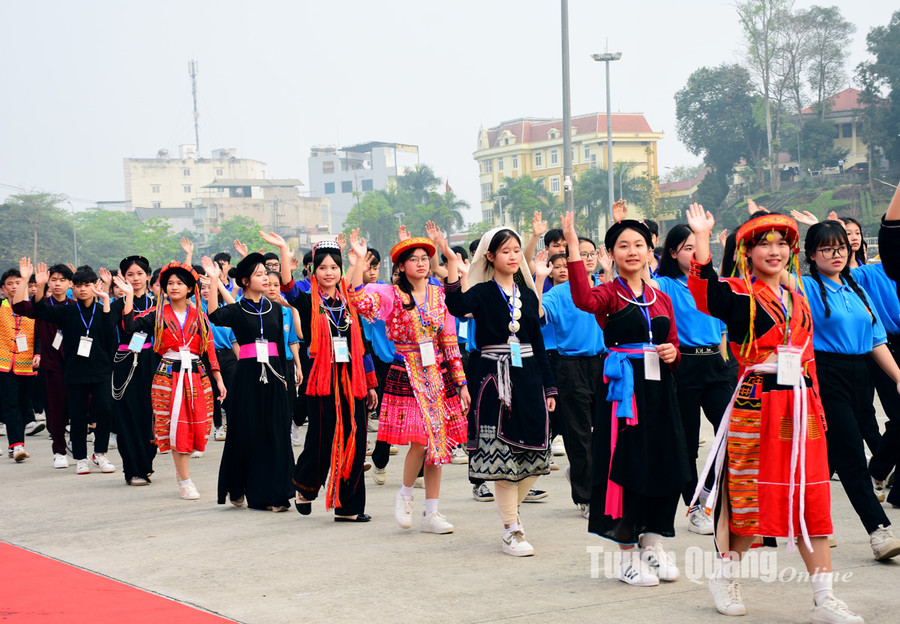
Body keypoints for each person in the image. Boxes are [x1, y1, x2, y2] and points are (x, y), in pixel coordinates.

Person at [686, 204, 864, 622]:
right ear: (746, 252)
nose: (775, 250)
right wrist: (702, 239)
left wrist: (818, 408)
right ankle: (725, 575)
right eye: (764, 244)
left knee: (811, 498)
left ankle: (824, 600)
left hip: (802, 406)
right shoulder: (737, 292)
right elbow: (704, 293)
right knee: (752, 497)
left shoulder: (798, 296)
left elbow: (808, 360)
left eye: (782, 243)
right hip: (758, 403)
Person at [560, 211, 689, 587]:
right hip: (623, 392)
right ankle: (626, 555)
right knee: (626, 463)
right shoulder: (608, 294)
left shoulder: (661, 297)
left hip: (660, 390)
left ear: (651, 251)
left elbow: (675, 344)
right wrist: (571, 244)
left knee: (664, 461)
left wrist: (672, 354)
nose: (632, 251)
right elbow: (582, 299)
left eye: (638, 245)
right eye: (623, 246)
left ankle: (653, 542)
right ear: (611, 253)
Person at [440, 226, 557, 557]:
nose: (513, 255)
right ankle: (511, 529)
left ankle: (510, 514)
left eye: (516, 250)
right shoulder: (482, 292)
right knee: (502, 456)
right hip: (494, 383)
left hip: (530, 379)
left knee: (535, 457)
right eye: (505, 250)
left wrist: (549, 387)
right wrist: (450, 261)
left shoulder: (529, 295)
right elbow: (456, 304)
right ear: (490, 256)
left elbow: (537, 342)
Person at [349, 230, 469, 533]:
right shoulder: (391, 294)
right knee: (420, 440)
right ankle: (404, 495)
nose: (421, 264)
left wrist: (462, 382)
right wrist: (359, 260)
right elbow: (359, 300)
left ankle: (432, 512)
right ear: (401, 266)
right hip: (407, 370)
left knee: (437, 445)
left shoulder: (438, 293)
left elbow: (449, 340)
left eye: (424, 259)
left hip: (437, 374)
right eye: (413, 260)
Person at [801, 221, 900, 560]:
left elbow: (876, 339)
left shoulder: (856, 288)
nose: (836, 254)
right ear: (812, 254)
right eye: (827, 248)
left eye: (841, 247)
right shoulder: (806, 287)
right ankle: (878, 532)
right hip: (825, 374)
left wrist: (899, 376)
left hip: (861, 374)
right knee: (851, 455)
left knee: (826, 458)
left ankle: (810, 522)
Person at [265, 235, 377, 522]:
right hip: (323, 380)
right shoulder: (306, 301)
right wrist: (282, 250)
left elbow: (362, 344)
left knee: (357, 436)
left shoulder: (349, 303)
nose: (329, 272)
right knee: (322, 438)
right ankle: (304, 486)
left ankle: (348, 507)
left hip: (352, 381)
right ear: (313, 271)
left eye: (334, 267)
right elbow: (288, 289)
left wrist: (371, 383)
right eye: (323, 267)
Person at [654, 224, 737, 536]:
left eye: (697, 246)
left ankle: (713, 495)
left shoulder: (709, 284)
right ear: (673, 252)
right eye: (687, 247)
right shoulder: (663, 284)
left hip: (716, 364)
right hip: (683, 365)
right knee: (686, 442)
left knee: (729, 433)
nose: (693, 253)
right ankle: (694, 506)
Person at [117, 263, 224, 499]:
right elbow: (129, 327)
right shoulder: (156, 314)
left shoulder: (199, 315)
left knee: (194, 426)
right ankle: (185, 480)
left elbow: (209, 349)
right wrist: (127, 297)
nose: (174, 287)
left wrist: (218, 378)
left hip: (196, 375)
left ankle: (181, 473)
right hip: (168, 375)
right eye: (170, 283)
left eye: (179, 283)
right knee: (175, 428)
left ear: (189, 288)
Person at [203, 253, 295, 511]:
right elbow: (214, 316)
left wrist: (285, 379)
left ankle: (279, 491)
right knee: (248, 434)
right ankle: (246, 488)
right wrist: (213, 281)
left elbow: (279, 344)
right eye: (259, 274)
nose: (266, 277)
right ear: (245, 281)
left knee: (276, 434)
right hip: (247, 379)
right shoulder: (236, 309)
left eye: (266, 273)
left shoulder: (277, 308)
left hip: (275, 377)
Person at [14, 261, 117, 475]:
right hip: (74, 371)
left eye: (87, 285)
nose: (82, 289)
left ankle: (100, 453)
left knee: (105, 411)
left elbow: (110, 337)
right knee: (77, 416)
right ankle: (80, 457)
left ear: (93, 286)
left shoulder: (102, 309)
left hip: (101, 371)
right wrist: (39, 285)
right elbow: (40, 310)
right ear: (74, 287)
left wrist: (106, 298)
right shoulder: (66, 311)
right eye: (78, 285)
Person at [536, 238, 606, 519]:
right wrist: (539, 279)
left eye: (591, 254)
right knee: (578, 435)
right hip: (571, 366)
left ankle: (594, 482)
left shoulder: (603, 287)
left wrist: (610, 272)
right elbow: (538, 315)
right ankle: (586, 497)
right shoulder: (558, 294)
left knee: (605, 432)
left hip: (603, 364)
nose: (587, 259)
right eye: (583, 255)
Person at [14, 264, 73, 467]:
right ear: (48, 282)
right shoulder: (42, 305)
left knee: (83, 406)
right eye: (54, 279)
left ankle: (76, 442)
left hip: (77, 364)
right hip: (53, 364)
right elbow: (19, 307)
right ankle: (59, 451)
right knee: (55, 409)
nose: (58, 284)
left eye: (62, 280)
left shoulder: (75, 305)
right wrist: (25, 279)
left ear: (70, 283)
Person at [108, 256, 158, 486]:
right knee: (128, 416)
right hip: (126, 361)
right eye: (130, 274)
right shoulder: (116, 306)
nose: (135, 278)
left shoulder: (158, 304)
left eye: (139, 274)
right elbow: (117, 332)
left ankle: (145, 464)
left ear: (148, 276)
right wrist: (126, 296)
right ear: (122, 277)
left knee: (151, 415)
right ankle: (133, 470)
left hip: (153, 361)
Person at [0, 266, 38, 462]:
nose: (14, 287)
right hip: (4, 364)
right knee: (10, 403)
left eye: (18, 282)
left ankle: (14, 443)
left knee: (24, 405)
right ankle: (17, 445)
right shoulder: (1, 307)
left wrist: (39, 353)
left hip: (28, 364)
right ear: (3, 289)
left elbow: (41, 334)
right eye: (10, 284)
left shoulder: (34, 308)